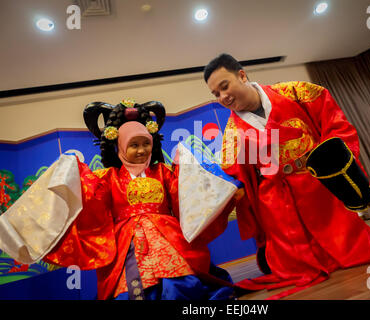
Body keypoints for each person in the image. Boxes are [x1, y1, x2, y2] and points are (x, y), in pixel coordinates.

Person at [203, 53, 370, 299]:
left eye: (224, 86)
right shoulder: (231, 132)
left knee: (350, 247)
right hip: (277, 201)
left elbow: (335, 126)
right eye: (215, 94)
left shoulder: (295, 92)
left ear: (241, 75)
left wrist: (336, 168)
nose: (222, 97)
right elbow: (235, 176)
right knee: (296, 264)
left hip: (317, 185)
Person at [0, 99, 235, 300]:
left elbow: (186, 196)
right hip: (127, 244)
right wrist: (72, 171)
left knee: (182, 287)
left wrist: (189, 166)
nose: (141, 150)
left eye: (146, 144)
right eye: (134, 145)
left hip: (170, 238)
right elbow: (92, 206)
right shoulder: (107, 178)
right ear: (119, 146)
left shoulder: (165, 172)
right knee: (129, 292)